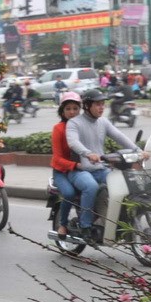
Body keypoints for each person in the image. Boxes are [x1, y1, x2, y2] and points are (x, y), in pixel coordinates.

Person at [66, 89, 148, 242]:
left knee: (122, 184)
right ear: (87, 105)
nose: (102, 107)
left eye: (103, 104)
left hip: (100, 168)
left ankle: (114, 222)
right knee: (91, 187)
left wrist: (139, 151)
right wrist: (87, 153)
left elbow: (119, 136)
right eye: (98, 104)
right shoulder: (74, 123)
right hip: (80, 170)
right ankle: (85, 225)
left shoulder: (103, 122)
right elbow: (73, 142)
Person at [50, 91, 84, 239]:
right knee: (69, 193)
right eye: (68, 109)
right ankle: (63, 224)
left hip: (82, 169)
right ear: (62, 111)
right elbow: (57, 159)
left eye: (75, 109)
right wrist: (75, 165)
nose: (72, 112)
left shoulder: (84, 126)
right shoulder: (58, 129)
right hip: (61, 172)